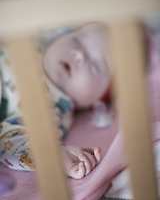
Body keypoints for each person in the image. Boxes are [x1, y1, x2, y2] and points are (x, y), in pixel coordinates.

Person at [0, 23, 112, 179]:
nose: (79, 54)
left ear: (98, 101)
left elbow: (10, 141)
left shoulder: (51, 107)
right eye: (76, 42)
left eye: (95, 67)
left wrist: (57, 155)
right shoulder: (41, 38)